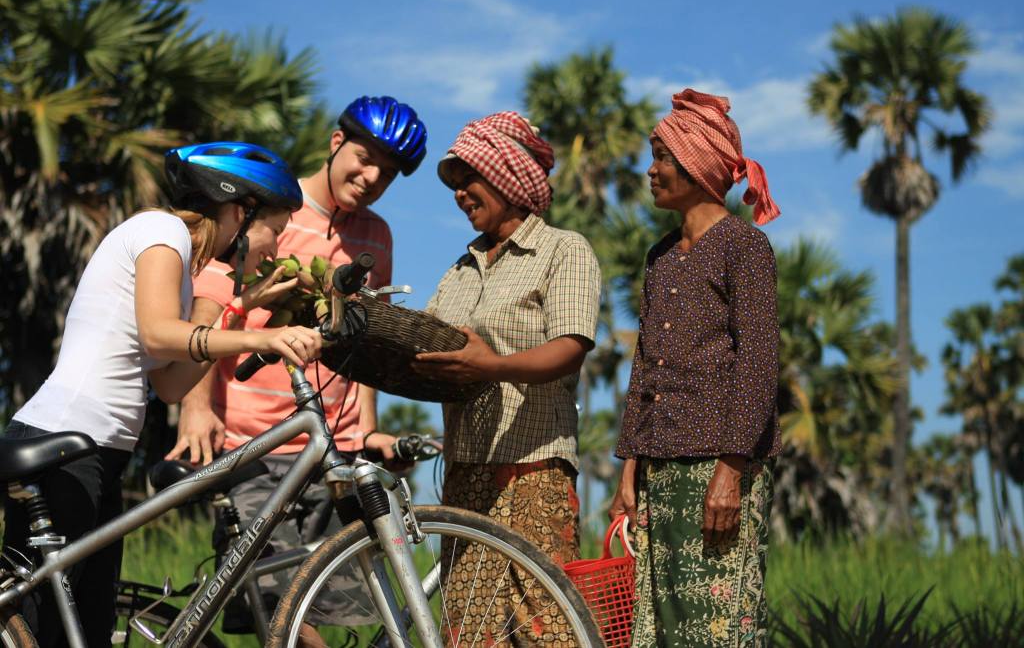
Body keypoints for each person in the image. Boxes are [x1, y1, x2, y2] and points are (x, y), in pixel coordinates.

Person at [1, 141, 320, 647]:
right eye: (275, 231)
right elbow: (158, 334)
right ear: (241, 211)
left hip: (99, 453)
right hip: (63, 441)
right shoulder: (160, 231)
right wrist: (263, 338)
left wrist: (238, 311)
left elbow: (170, 384)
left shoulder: (183, 269)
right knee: (39, 628)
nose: (276, 249)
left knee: (87, 630)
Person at [168, 96, 427, 634]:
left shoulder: (377, 236)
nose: (372, 177)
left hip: (333, 449)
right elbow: (208, 309)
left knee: (336, 615)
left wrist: (367, 431)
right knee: (280, 613)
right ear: (337, 143)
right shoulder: (274, 205)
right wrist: (195, 408)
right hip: (254, 442)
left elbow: (363, 340)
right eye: (365, 158)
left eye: (387, 172)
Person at [411, 111, 601, 645]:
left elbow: (570, 348)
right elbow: (424, 339)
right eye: (454, 184)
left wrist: (489, 367)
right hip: (466, 474)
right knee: (469, 632)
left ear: (508, 176)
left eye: (468, 179)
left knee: (546, 630)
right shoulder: (461, 268)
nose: (459, 194)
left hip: (533, 471)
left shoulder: (563, 250)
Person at [608, 88, 782, 647]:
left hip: (719, 468)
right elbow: (645, 367)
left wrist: (730, 472)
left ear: (696, 165)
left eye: (662, 157)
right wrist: (629, 472)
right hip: (659, 469)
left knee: (716, 625)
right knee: (659, 625)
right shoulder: (660, 257)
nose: (651, 171)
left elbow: (758, 364)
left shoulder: (743, 247)